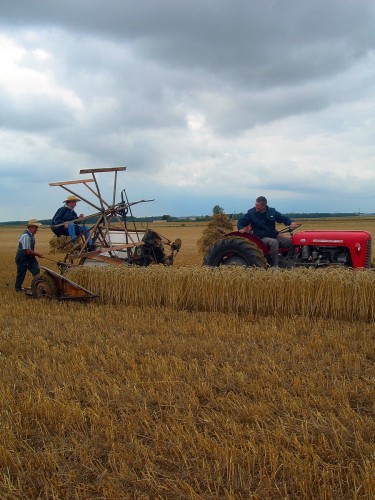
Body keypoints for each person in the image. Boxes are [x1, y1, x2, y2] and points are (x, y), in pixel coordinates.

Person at [237, 196, 298, 267]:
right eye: (255, 204)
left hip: (273, 235)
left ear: (264, 205)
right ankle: (274, 266)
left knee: (292, 242)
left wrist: (291, 222)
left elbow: (282, 218)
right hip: (261, 238)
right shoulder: (251, 213)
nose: (256, 206)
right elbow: (242, 221)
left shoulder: (272, 211)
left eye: (258, 205)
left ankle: (288, 262)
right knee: (274, 242)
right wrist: (240, 228)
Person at [15, 219, 44, 292]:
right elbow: (27, 251)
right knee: (21, 274)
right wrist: (38, 254)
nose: (37, 229)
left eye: (37, 227)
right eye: (36, 227)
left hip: (30, 258)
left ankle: (37, 287)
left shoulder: (31, 235)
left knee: (36, 271)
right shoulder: (26, 236)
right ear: (30, 227)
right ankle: (18, 289)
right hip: (22, 258)